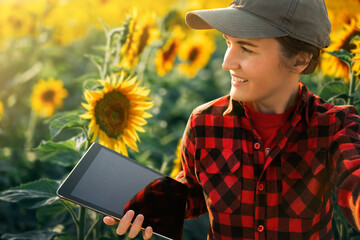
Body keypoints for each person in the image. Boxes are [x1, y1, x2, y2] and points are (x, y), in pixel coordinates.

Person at [104, 0, 360, 239]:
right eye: (229, 43)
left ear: (299, 59)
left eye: (247, 48)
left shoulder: (335, 126)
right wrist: (154, 202)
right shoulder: (204, 124)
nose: (227, 63)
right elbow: (195, 189)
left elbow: (354, 180)